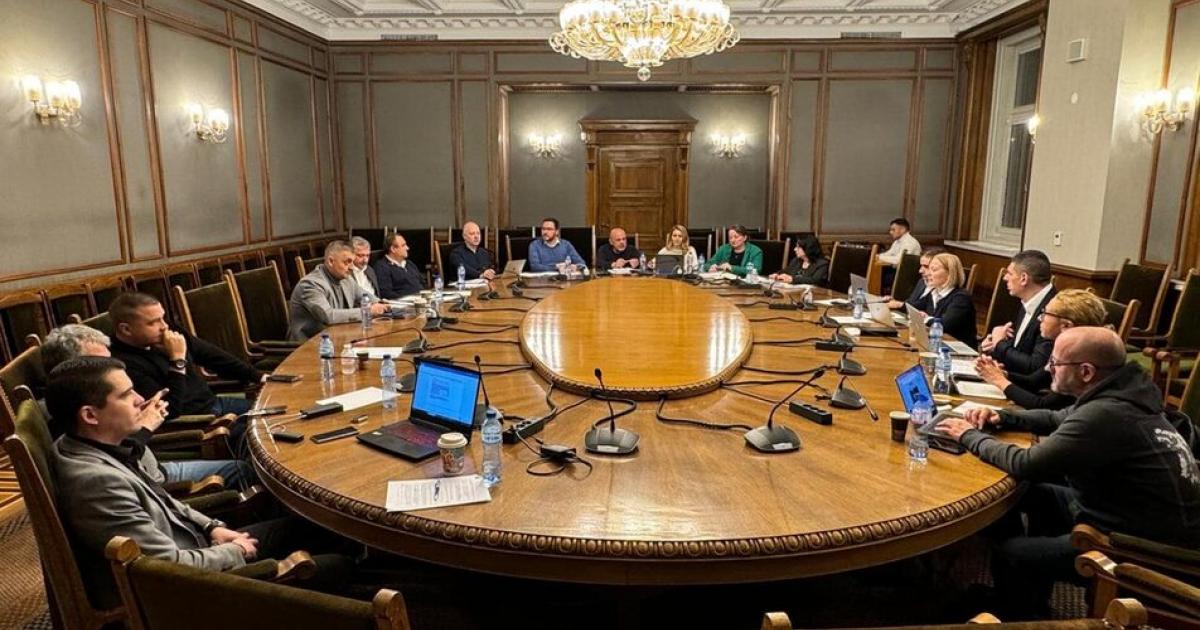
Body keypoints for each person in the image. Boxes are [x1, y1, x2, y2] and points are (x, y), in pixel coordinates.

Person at [48, 357, 355, 608]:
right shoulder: (97, 482)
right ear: (90, 415)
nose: (141, 400)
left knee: (321, 525)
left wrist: (212, 527)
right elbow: (167, 569)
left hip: (198, 544)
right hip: (189, 590)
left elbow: (163, 498)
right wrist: (234, 551)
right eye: (127, 394)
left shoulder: (95, 445)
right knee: (337, 565)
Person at [938, 327, 1200, 618]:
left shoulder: (1106, 414)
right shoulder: (1124, 393)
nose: (1047, 369)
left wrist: (969, 436)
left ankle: (1018, 613)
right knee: (1028, 493)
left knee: (1012, 552)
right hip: (1125, 512)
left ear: (1086, 371)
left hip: (1142, 547)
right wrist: (1003, 416)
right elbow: (1055, 417)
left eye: (1055, 363)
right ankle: (1029, 598)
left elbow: (1026, 463)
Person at [42, 324, 251, 488]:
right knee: (245, 467)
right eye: (99, 363)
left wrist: (140, 415)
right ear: (71, 368)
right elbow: (116, 463)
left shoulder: (102, 391)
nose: (111, 366)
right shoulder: (68, 415)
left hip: (150, 466)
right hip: (149, 479)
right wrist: (145, 425)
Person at [108, 293, 263, 421]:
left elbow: (210, 355)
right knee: (266, 431)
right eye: (153, 323)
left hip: (214, 403)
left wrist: (257, 376)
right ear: (126, 329)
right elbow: (169, 410)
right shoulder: (121, 364)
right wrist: (177, 361)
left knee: (276, 412)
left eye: (163, 318)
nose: (164, 326)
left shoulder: (166, 332)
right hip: (200, 422)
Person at [974, 289, 1107, 410]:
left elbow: (1043, 405)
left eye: (1045, 313)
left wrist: (1000, 381)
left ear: (1066, 325)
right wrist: (1001, 374)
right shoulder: (1064, 345)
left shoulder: (1080, 356)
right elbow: (1033, 382)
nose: (1039, 318)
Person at [290, 241, 389, 341]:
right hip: (310, 344)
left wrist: (383, 304)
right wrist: (368, 311)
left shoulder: (346, 278)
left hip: (340, 337)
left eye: (352, 262)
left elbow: (365, 296)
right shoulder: (311, 284)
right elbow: (328, 316)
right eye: (347, 262)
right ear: (331, 261)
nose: (351, 267)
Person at [981, 250, 1057, 375]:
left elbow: (1035, 366)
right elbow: (1021, 349)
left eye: (1009, 273)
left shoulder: (1053, 310)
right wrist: (994, 346)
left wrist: (1000, 344)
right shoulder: (1028, 300)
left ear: (1023, 278)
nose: (1005, 278)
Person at [910, 253, 977, 349]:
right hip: (936, 344)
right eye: (929, 269)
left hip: (958, 350)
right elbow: (914, 307)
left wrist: (926, 319)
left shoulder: (961, 298)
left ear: (950, 274)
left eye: (934, 270)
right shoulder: (934, 293)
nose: (928, 274)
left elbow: (944, 325)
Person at [884, 246, 944, 310]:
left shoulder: (944, 292)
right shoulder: (922, 282)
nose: (920, 271)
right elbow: (910, 304)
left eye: (926, 266)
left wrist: (899, 305)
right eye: (921, 266)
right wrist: (895, 303)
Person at [373, 233, 426, 300]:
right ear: (393, 249)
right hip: (402, 303)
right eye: (403, 245)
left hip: (420, 300)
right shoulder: (381, 267)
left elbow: (422, 283)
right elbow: (386, 293)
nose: (407, 248)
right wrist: (409, 299)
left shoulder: (409, 263)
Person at [877, 218, 922, 289]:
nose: (890, 232)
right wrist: (878, 256)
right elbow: (889, 253)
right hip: (897, 272)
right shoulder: (897, 241)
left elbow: (898, 260)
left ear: (903, 230)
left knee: (879, 278)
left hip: (906, 276)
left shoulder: (910, 242)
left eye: (893, 230)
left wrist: (879, 257)